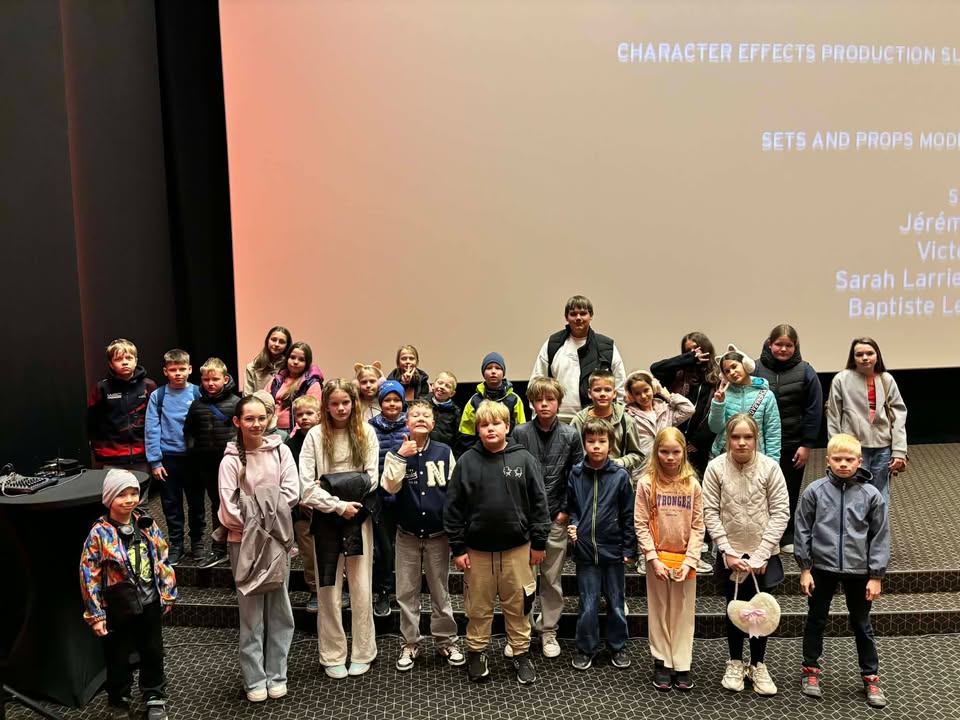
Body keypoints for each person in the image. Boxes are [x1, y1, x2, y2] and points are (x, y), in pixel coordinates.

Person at [444, 400, 550, 685]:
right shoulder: (466, 462)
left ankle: (521, 653)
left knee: (519, 606)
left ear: (507, 426)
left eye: (496, 424)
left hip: (518, 550)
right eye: (484, 425)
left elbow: (539, 503)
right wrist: (457, 547)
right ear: (477, 429)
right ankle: (477, 653)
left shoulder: (524, 459)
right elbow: (453, 508)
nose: (490, 429)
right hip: (477, 552)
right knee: (478, 608)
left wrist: (539, 542)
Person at [795, 433, 890, 708]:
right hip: (821, 568)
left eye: (849, 459)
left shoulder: (871, 495)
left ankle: (870, 676)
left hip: (859, 571)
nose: (844, 464)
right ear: (828, 460)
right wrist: (805, 568)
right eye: (837, 459)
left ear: (860, 461)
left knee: (862, 624)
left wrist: (876, 576)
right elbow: (803, 530)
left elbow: (879, 536)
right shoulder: (815, 491)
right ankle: (810, 669)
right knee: (816, 619)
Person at [218, 395, 300, 702]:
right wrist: (266, 512)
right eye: (249, 419)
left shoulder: (281, 451)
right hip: (243, 544)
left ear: (269, 419)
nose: (256, 424)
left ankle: (277, 674)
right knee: (251, 614)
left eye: (261, 418)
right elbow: (229, 511)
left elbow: (291, 494)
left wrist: (256, 511)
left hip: (278, 542)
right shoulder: (230, 461)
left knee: (280, 610)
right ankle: (254, 679)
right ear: (237, 422)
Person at [702, 414, 789, 696]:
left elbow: (781, 512)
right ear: (727, 439)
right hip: (731, 556)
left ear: (756, 438)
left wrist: (762, 555)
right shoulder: (715, 468)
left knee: (759, 611)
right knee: (735, 609)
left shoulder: (770, 468)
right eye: (736, 437)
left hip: (763, 556)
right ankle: (735, 662)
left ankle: (758, 664)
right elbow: (709, 511)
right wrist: (726, 551)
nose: (741, 442)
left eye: (748, 437)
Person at [299, 379, 380, 679]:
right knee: (328, 589)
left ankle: (363, 651)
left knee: (361, 587)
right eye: (334, 403)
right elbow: (306, 488)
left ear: (353, 403)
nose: (341, 408)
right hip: (326, 519)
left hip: (358, 515)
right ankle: (332, 653)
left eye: (345, 402)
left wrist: (332, 488)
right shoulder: (314, 436)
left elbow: (371, 479)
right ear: (326, 406)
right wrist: (336, 504)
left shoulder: (366, 432)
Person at [79, 469, 177, 720]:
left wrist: (167, 591)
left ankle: (155, 697)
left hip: (149, 601)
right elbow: (89, 574)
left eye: (134, 493)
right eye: (122, 495)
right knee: (118, 656)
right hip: (117, 606)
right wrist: (96, 614)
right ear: (109, 498)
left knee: (153, 651)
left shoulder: (147, 524)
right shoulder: (99, 533)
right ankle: (119, 701)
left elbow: (162, 557)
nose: (129, 500)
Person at [381, 399, 464, 671]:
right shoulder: (396, 451)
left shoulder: (443, 451)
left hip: (438, 536)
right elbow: (389, 487)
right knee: (406, 592)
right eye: (415, 414)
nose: (420, 418)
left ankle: (445, 640)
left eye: (425, 415)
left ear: (433, 423)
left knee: (440, 591)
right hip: (406, 535)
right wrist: (400, 456)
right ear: (406, 422)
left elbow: (454, 493)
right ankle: (410, 642)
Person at [512, 377, 583, 659]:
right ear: (531, 402)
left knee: (552, 580)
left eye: (550, 399)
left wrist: (564, 512)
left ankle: (548, 630)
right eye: (539, 399)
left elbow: (576, 477)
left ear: (558, 402)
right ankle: (522, 631)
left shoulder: (570, 434)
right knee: (524, 581)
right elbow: (513, 474)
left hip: (556, 518)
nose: (544, 404)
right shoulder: (519, 433)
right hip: (525, 521)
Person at [634, 427, 704, 691]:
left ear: (684, 452)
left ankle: (682, 662)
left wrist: (690, 560)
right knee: (659, 610)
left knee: (683, 612)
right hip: (658, 559)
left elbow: (698, 526)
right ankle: (662, 660)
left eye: (676, 452)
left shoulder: (692, 485)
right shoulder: (646, 483)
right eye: (664, 452)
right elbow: (641, 524)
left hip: (685, 560)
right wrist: (652, 558)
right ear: (656, 452)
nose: (670, 457)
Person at [566, 417, 635, 673]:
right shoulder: (576, 474)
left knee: (616, 602)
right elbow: (573, 508)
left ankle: (618, 646)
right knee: (588, 604)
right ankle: (586, 648)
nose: (596, 446)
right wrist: (574, 524)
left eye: (602, 441)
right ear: (584, 443)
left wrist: (629, 549)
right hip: (585, 551)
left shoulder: (620, 476)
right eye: (591, 441)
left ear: (610, 444)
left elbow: (628, 515)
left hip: (613, 550)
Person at [755, 324, 823, 552]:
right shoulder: (754, 369)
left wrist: (807, 445)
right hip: (759, 445)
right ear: (769, 343)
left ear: (796, 346)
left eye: (789, 345)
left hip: (793, 443)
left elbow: (814, 411)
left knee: (788, 490)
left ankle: (786, 534)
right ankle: (761, 533)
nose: (783, 349)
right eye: (779, 344)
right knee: (758, 490)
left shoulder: (806, 371)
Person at [826, 337, 907, 504]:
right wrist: (835, 449)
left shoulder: (886, 379)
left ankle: (878, 522)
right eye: (859, 354)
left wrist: (899, 450)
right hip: (852, 448)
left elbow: (899, 415)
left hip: (882, 447)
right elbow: (834, 415)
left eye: (870, 353)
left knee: (880, 495)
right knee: (853, 494)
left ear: (877, 356)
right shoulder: (841, 379)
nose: (865, 358)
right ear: (853, 357)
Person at [529, 294, 627, 423]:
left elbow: (620, 384)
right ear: (566, 317)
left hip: (597, 421)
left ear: (591, 315)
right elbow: (536, 382)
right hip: (558, 419)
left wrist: (619, 418)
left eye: (583, 313)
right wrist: (536, 417)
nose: (578, 318)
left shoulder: (606, 346)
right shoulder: (553, 344)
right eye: (573, 314)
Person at [183, 357, 240, 568]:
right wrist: (193, 449)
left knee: (228, 504)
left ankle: (229, 546)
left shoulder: (236, 403)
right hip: (203, 464)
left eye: (215, 379)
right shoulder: (197, 404)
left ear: (225, 379)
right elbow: (188, 430)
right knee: (207, 505)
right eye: (206, 380)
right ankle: (211, 546)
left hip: (229, 465)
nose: (210, 383)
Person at [146, 349, 201, 565]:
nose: (177, 373)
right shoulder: (158, 396)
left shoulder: (198, 393)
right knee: (171, 505)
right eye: (173, 369)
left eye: (182, 369)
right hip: (168, 459)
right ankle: (176, 544)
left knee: (196, 503)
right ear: (165, 371)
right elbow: (152, 428)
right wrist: (155, 462)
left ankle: (197, 542)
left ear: (190, 369)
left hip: (193, 459)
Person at [651, 331, 720, 479]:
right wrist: (688, 359)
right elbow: (655, 368)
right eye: (688, 351)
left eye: (696, 348)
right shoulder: (677, 372)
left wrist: (698, 441)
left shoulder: (717, 376)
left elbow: (716, 411)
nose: (694, 353)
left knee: (695, 483)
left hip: (698, 444)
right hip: (673, 438)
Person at [87, 338, 157, 475]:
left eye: (129, 358)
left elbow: (157, 420)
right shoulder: (101, 388)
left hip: (143, 455)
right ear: (111, 364)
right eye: (118, 359)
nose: (125, 362)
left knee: (141, 489)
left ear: (135, 361)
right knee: (114, 489)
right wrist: (100, 451)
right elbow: (92, 423)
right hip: (112, 458)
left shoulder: (149, 386)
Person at [369, 379, 409, 617]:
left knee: (405, 548)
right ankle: (383, 591)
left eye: (396, 399)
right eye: (387, 400)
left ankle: (407, 593)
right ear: (380, 402)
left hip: (406, 497)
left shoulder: (411, 425)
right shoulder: (369, 428)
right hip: (379, 497)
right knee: (382, 548)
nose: (392, 404)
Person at [708, 345, 781, 463]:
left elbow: (773, 433)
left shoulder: (766, 396)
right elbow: (715, 428)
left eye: (734, 366)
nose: (732, 372)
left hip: (756, 458)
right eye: (727, 371)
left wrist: (773, 463)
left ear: (745, 364)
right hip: (725, 456)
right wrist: (718, 404)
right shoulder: (722, 395)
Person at [570, 370, 644, 475]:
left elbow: (637, 455)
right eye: (597, 390)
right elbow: (571, 456)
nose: (602, 394)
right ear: (589, 393)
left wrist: (621, 462)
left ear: (614, 393)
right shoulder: (578, 421)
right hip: (586, 479)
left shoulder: (626, 421)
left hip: (616, 479)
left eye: (608, 390)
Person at [287, 395, 321, 612]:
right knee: (309, 552)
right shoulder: (290, 445)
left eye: (309, 413)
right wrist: (301, 497)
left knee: (333, 550)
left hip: (328, 503)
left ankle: (340, 588)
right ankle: (315, 589)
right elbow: (289, 476)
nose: (304, 418)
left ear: (319, 415)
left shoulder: (326, 438)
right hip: (303, 508)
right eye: (300, 414)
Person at [457, 352, 526, 453]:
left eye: (498, 368)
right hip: (481, 452)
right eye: (489, 368)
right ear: (483, 373)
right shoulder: (474, 400)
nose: (493, 371)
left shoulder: (514, 399)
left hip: (509, 452)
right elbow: (466, 433)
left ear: (503, 372)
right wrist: (474, 453)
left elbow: (521, 430)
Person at [623, 370, 695, 460]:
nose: (643, 396)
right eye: (637, 393)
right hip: (642, 465)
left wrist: (667, 395)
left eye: (646, 390)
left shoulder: (665, 411)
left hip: (665, 462)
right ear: (631, 396)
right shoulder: (628, 415)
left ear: (653, 388)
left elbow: (689, 409)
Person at [269, 341, 324, 433]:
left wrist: (295, 434)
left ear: (307, 363)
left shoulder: (311, 383)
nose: (295, 362)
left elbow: (312, 414)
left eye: (301, 360)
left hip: (294, 432)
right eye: (292, 357)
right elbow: (264, 401)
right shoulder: (277, 379)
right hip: (272, 429)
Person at [243, 325, 291, 396]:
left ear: (287, 345)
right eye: (273, 340)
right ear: (267, 341)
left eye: (281, 342)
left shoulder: (290, 368)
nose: (276, 344)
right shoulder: (252, 368)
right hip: (257, 403)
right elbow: (247, 397)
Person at [428, 371, 461, 449]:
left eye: (447, 386)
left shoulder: (455, 412)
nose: (442, 387)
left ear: (452, 393)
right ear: (433, 385)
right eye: (440, 383)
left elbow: (457, 438)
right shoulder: (423, 404)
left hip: (444, 450)